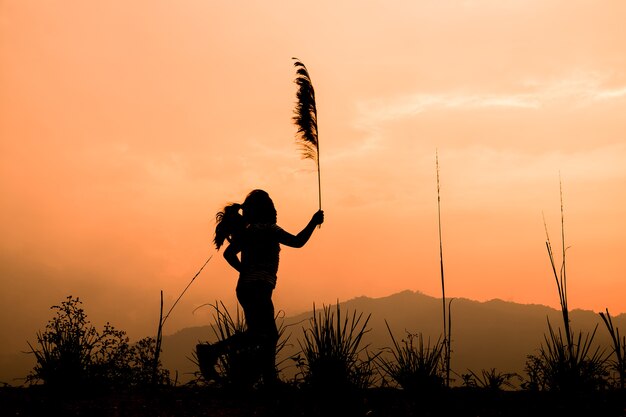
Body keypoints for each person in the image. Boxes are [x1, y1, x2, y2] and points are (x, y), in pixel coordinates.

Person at [197, 189, 324, 385]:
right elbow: (298, 242)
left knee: (264, 334)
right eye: (273, 207)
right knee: (263, 334)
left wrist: (244, 270)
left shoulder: (250, 231)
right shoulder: (268, 229)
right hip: (258, 288)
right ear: (267, 211)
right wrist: (313, 222)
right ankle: (213, 352)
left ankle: (268, 378)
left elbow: (228, 254)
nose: (276, 211)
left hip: (247, 288)